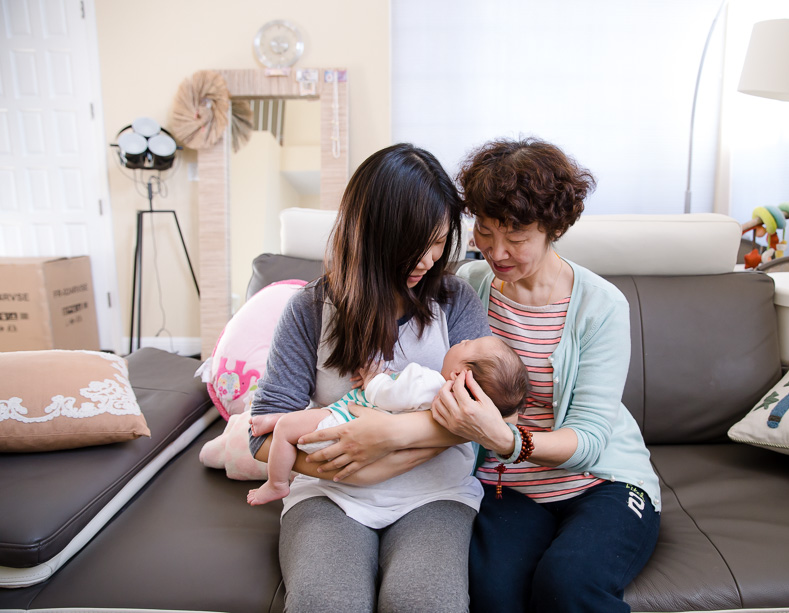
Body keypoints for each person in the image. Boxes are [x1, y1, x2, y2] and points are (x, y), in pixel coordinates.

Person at [248, 143, 494, 613]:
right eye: (413, 243)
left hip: (435, 493)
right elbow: (261, 434)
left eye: (439, 241)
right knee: (326, 603)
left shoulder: (455, 300)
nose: (428, 259)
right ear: (370, 235)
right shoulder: (310, 309)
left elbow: (483, 416)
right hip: (329, 494)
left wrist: (386, 443)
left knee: (423, 602)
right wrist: (349, 467)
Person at [430, 137, 662, 613]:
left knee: (568, 585)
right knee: (493, 597)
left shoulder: (601, 305)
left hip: (602, 483)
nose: (496, 252)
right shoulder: (468, 288)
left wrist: (507, 439)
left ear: (553, 229)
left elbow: (590, 440)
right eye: (485, 231)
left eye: (516, 239)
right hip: (506, 488)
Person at [247, 334, 528, 512]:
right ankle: (278, 420)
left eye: (468, 344)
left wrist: (373, 378)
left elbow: (385, 394)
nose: (463, 339)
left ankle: (277, 482)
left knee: (288, 429)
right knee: (305, 420)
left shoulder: (430, 382)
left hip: (344, 426)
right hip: (361, 443)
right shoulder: (452, 408)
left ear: (459, 373)